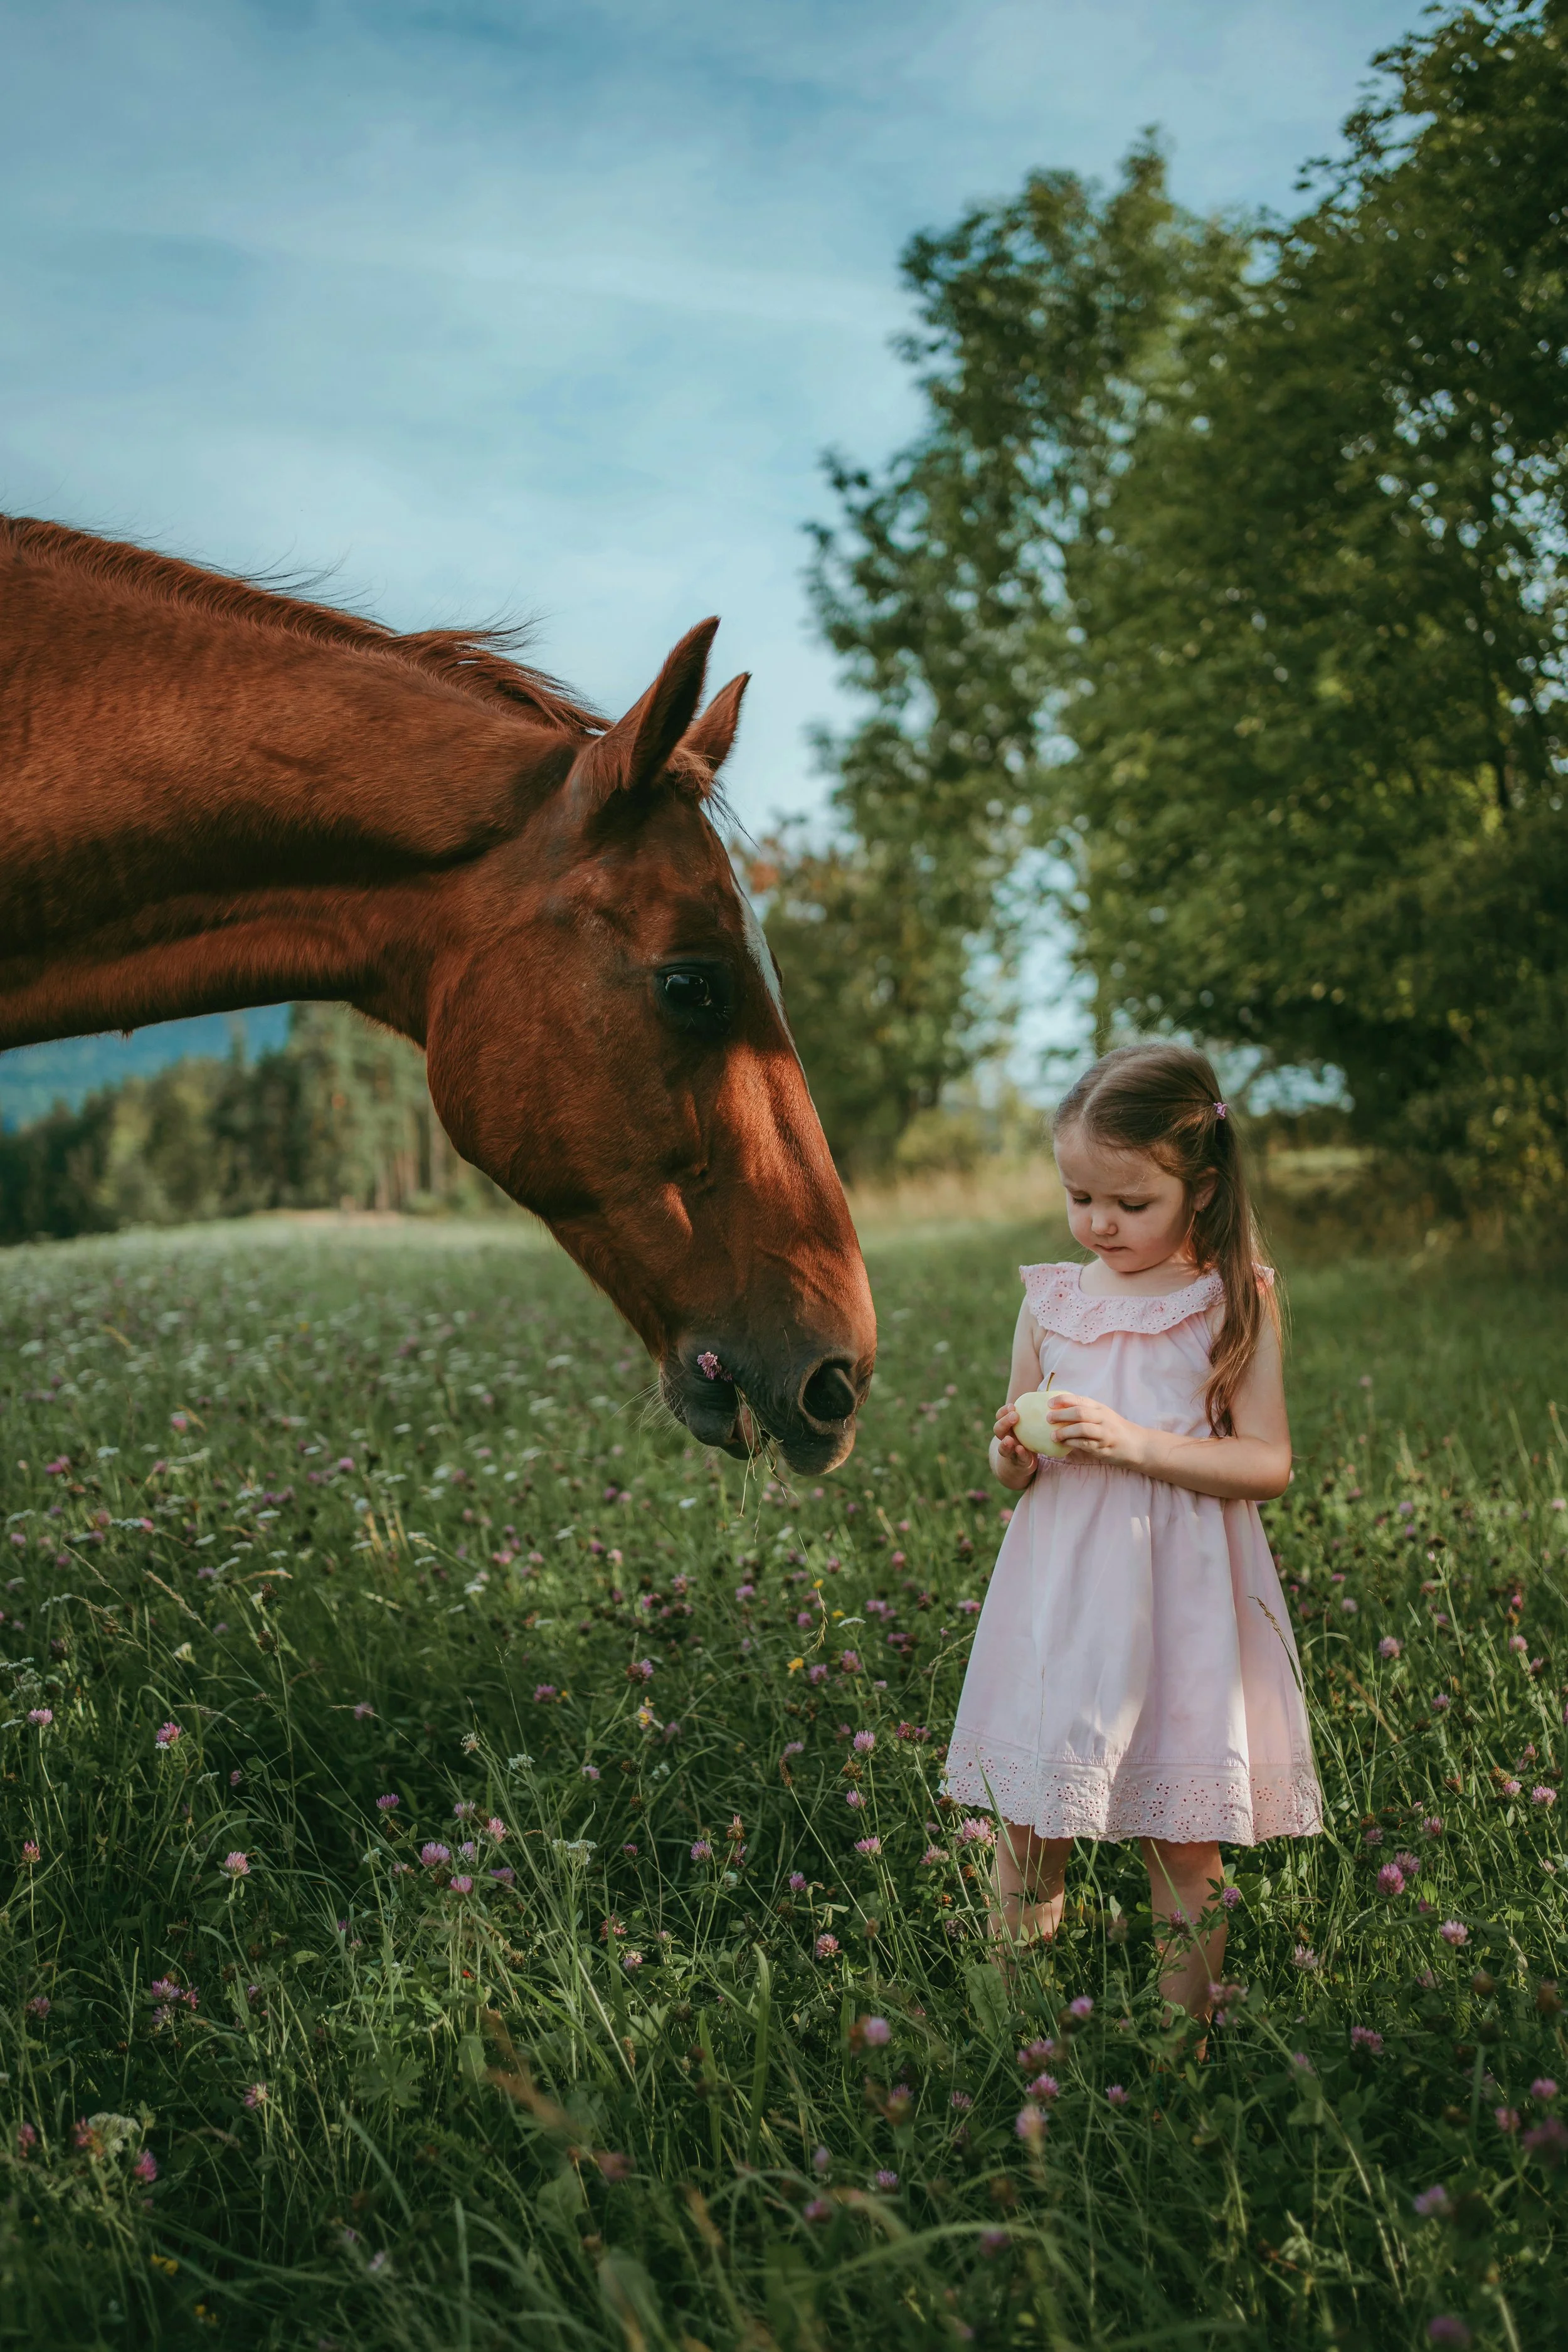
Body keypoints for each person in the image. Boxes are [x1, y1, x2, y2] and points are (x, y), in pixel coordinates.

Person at [944, 1041, 1322, 2033]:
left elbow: (1268, 1461)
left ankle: (1178, 2049)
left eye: (1130, 1202)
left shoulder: (1234, 1296)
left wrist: (1136, 1442)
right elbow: (1015, 1454)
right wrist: (1011, 1455)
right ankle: (1017, 2027)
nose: (1099, 1223)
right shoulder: (1053, 1299)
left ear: (1201, 1189)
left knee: (1183, 1842)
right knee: (1030, 1824)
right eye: (1080, 1197)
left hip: (1182, 1605)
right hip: (1063, 1595)